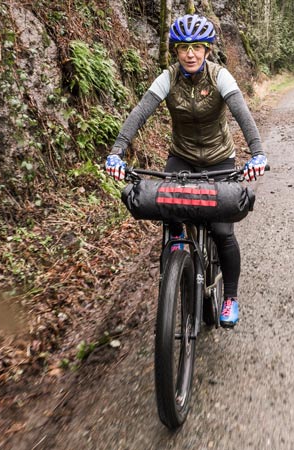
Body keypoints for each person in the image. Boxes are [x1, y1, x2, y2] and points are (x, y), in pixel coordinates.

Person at [105, 14, 267, 328]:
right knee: (170, 212)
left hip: (219, 160)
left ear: (207, 50)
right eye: (183, 47)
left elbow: (243, 117)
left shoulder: (220, 77)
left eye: (196, 47)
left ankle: (230, 297)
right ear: (176, 51)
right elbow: (139, 114)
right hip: (182, 158)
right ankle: (177, 268)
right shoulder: (168, 78)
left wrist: (257, 154)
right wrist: (116, 153)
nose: (190, 53)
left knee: (222, 232)